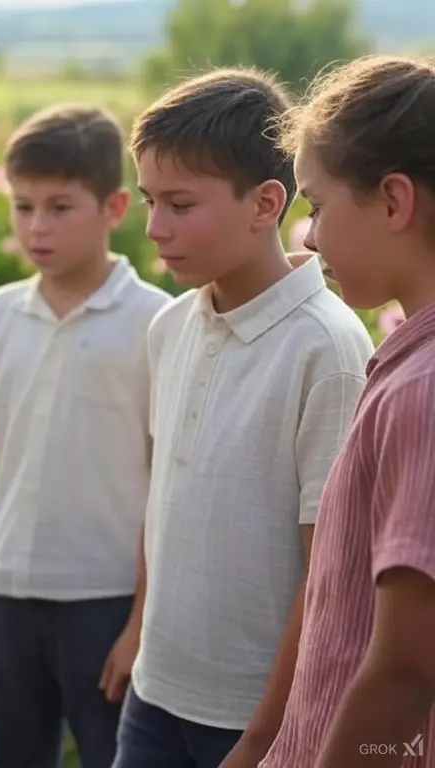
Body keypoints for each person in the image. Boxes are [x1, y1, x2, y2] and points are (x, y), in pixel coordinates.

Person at [114, 68, 375, 768]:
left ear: (266, 204)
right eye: (148, 201)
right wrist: (138, 631)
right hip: (154, 697)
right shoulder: (169, 326)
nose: (153, 227)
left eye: (179, 204)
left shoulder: (329, 349)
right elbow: (162, 501)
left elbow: (330, 577)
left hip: (256, 721)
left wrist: (266, 735)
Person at [0, 103, 171, 768]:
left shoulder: (158, 324)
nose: (36, 227)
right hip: (5, 598)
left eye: (59, 207)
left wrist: (140, 623)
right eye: (23, 207)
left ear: (114, 206)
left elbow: (166, 487)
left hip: (104, 604)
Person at [261, 54, 435, 768]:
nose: (307, 236)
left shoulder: (423, 390)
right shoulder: (402, 351)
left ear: (394, 202)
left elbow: (406, 673)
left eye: (316, 205)